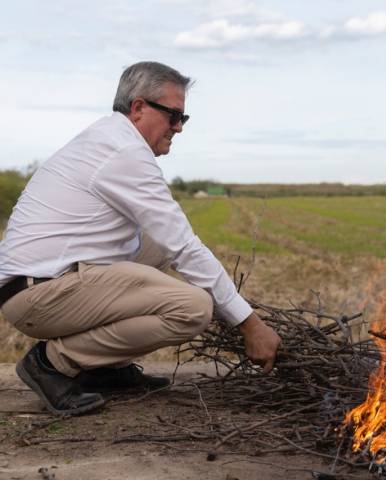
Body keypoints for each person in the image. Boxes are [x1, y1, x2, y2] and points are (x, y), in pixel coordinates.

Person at [0, 61, 281, 415]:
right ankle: (52, 363)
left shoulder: (110, 139)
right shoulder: (123, 152)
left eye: (184, 119)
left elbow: (169, 241)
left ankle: (103, 369)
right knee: (193, 308)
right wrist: (249, 323)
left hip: (37, 282)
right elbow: (184, 247)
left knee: (153, 244)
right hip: (37, 295)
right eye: (173, 116)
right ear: (138, 108)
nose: (179, 127)